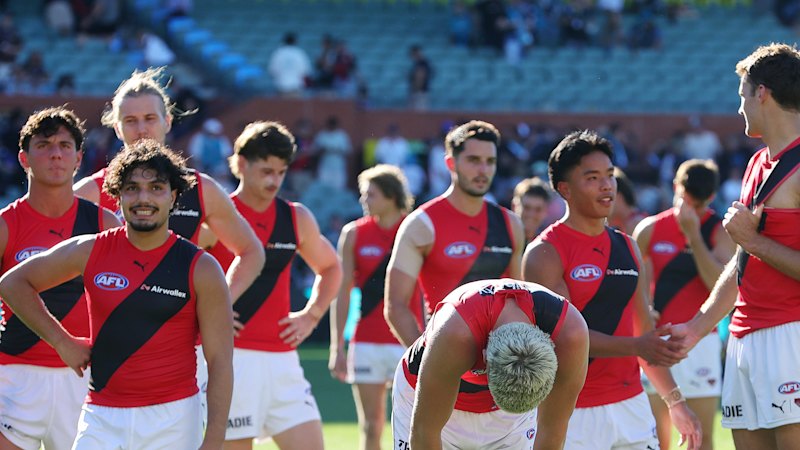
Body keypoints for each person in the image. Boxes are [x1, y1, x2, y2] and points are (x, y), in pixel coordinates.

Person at [0, 139, 234, 449]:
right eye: (132, 188)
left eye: (156, 188)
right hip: (101, 416)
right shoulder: (91, 249)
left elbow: (220, 361)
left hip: (174, 420)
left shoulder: (201, 267)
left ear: (174, 195)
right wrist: (62, 342)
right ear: (118, 195)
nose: (143, 198)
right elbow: (13, 284)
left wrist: (214, 439)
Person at [523, 130, 702, 450]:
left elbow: (645, 333)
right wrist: (638, 345)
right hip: (572, 411)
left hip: (632, 405)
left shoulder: (628, 247)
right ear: (564, 189)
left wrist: (675, 402)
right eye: (592, 178)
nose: (607, 185)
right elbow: (565, 339)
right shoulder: (545, 253)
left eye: (609, 175)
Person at [670, 43, 800, 449]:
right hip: (743, 337)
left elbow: (750, 243)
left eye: (743, 95)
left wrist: (752, 238)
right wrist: (696, 328)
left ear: (762, 92)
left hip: (790, 334)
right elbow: (745, 260)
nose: (740, 107)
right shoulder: (756, 163)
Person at [73, 67, 263, 301]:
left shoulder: (200, 189)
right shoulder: (89, 192)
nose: (142, 129)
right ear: (117, 129)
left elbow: (252, 252)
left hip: (180, 334)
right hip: (111, 335)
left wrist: (218, 306)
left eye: (150, 119)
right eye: (131, 121)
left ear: (168, 122)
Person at [211, 121, 342, 450]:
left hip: (284, 362)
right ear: (241, 163)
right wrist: (208, 317)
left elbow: (330, 267)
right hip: (231, 360)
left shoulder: (295, 217)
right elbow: (177, 272)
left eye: (281, 172)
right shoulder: (217, 215)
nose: (275, 181)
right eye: (267, 171)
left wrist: (312, 315)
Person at [0, 107, 120, 450]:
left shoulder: (106, 225)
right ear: (24, 158)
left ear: (79, 157)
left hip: (83, 379)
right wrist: (62, 341)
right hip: (15, 377)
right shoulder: (5, 225)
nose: (56, 153)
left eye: (65, 145)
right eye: (44, 144)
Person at [392, 278, 589, 449]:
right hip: (428, 397)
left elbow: (552, 432)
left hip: (507, 414)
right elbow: (424, 433)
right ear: (485, 356)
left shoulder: (571, 335)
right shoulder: (456, 334)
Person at [385, 120, 525, 347]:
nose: (483, 170)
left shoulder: (510, 223)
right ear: (451, 163)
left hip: (499, 366)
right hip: (444, 360)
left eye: (490, 162)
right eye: (473, 160)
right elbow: (396, 306)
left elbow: (519, 299)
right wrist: (424, 361)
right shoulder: (422, 224)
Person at [633, 159, 736, 450]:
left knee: (699, 440)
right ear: (676, 187)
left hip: (700, 343)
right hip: (658, 340)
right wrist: (644, 310)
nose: (691, 207)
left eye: (699, 202)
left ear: (712, 198)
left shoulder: (720, 230)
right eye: (687, 197)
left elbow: (721, 284)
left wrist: (693, 235)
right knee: (655, 439)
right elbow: (636, 283)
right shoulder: (650, 229)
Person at [329, 164, 421, 450]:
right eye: (363, 194)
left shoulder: (416, 229)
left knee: (414, 426)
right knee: (371, 426)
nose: (363, 201)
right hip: (366, 341)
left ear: (392, 196)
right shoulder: (354, 233)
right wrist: (337, 347)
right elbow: (342, 292)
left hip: (409, 340)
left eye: (371, 194)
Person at [512, 176, 552, 243]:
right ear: (514, 206)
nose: (531, 214)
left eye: (538, 209)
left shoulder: (548, 245)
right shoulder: (498, 238)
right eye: (526, 207)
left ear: (546, 212)